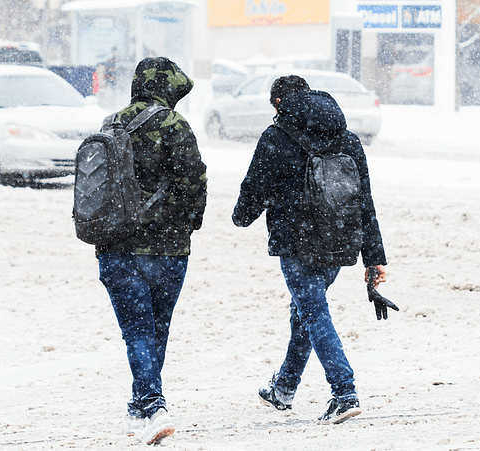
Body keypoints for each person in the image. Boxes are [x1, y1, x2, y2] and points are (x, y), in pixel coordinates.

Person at [232, 75, 388, 424]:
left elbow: (253, 190)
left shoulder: (275, 137)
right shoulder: (347, 139)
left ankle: (344, 392)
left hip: (297, 242)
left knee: (314, 312)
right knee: (305, 309)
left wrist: (241, 215)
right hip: (339, 240)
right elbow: (365, 201)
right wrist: (374, 257)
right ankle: (284, 387)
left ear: (278, 104)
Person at [96, 57, 207, 444]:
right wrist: (187, 225)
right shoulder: (174, 125)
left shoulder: (111, 123)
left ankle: (137, 404)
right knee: (156, 329)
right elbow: (195, 182)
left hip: (116, 247)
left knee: (138, 331)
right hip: (168, 250)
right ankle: (154, 405)